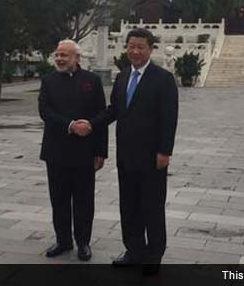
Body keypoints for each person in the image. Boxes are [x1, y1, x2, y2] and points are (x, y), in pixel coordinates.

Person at [85, 28, 179, 274]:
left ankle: (153, 256)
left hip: (152, 157)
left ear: (151, 49)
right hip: (126, 156)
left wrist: (164, 152)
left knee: (152, 208)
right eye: (131, 46)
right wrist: (90, 124)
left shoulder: (163, 79)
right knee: (129, 206)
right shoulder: (123, 76)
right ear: (126, 48)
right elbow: (114, 110)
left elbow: (169, 119)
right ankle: (134, 251)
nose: (135, 51)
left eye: (141, 47)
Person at [38, 40, 108, 262]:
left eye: (64, 55)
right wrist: (71, 125)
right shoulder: (48, 81)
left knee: (84, 200)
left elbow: (101, 116)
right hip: (56, 151)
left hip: (85, 152)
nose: (59, 58)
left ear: (77, 58)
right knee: (58, 199)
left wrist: (101, 151)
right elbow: (45, 112)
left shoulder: (92, 81)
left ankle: (83, 242)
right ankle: (63, 240)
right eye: (57, 54)